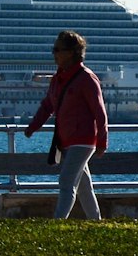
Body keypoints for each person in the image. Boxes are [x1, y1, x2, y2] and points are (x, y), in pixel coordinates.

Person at [25, 29, 108, 219]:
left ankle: (58, 222)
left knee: (66, 180)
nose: (53, 53)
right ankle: (96, 221)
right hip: (66, 139)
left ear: (70, 52)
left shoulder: (87, 78)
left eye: (57, 49)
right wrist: (33, 127)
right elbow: (47, 105)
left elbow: (99, 111)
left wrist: (102, 141)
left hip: (84, 139)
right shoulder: (58, 79)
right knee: (83, 186)